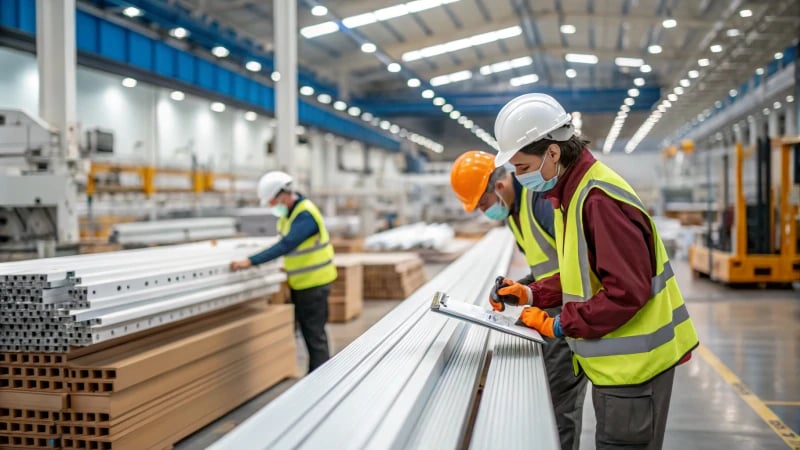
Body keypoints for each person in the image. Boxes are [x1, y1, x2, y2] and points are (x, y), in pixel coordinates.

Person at [491, 93, 699, 450]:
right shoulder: (570, 194)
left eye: (523, 168)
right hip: (618, 368)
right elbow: (582, 275)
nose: (520, 178)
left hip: (637, 370)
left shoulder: (598, 200)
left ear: (552, 153)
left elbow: (626, 293)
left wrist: (560, 324)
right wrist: (531, 294)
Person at [450, 150, 587, 450]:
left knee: (557, 409)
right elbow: (547, 270)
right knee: (549, 404)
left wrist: (541, 306)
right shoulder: (515, 213)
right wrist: (519, 288)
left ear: (498, 187)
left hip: (568, 320)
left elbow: (583, 270)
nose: (485, 212)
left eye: (483, 204)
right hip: (551, 312)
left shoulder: (541, 205)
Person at [231, 171, 337, 373]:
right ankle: (316, 377)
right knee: (308, 333)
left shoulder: (305, 216)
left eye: (272, 201)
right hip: (302, 284)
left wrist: (251, 261)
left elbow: (286, 245)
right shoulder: (290, 215)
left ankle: (321, 380)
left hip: (314, 284)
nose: (272, 206)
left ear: (284, 195)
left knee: (314, 337)